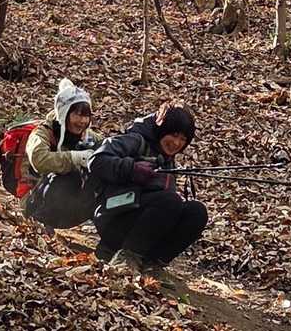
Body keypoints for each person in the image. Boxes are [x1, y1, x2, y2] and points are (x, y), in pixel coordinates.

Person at [88, 101, 208, 272]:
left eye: (183, 139)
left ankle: (152, 265)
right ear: (162, 129)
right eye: (174, 135)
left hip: (142, 224)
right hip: (113, 219)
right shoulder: (135, 140)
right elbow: (96, 160)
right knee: (170, 201)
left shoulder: (167, 158)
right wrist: (132, 169)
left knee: (196, 211)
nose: (177, 143)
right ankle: (125, 259)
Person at [23, 79, 102, 231]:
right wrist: (75, 158)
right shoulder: (42, 133)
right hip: (36, 200)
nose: (82, 121)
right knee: (68, 177)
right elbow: (39, 160)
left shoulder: (89, 137)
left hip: (70, 203)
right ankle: (42, 226)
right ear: (64, 113)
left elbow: (108, 147)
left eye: (86, 116)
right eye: (77, 115)